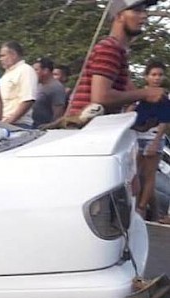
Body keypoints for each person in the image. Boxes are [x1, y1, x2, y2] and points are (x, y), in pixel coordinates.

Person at [66, 0, 165, 116]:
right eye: (137, 11)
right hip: (88, 129)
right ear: (119, 16)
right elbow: (101, 98)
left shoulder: (118, 50)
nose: (144, 16)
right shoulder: (110, 48)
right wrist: (146, 93)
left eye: (144, 11)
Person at [133, 60, 169, 218]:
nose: (157, 78)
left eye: (160, 75)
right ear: (146, 76)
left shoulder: (163, 98)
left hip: (153, 137)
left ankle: (141, 208)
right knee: (136, 173)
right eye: (153, 74)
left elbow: (165, 121)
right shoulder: (140, 95)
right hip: (136, 136)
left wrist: (156, 141)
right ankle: (154, 211)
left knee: (149, 175)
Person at [0, 41, 38, 128]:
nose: (0, 59)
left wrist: (9, 122)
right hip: (2, 124)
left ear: (14, 55)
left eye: (3, 56)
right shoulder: (7, 74)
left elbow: (28, 100)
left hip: (17, 125)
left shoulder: (25, 70)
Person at [32, 58, 66, 127]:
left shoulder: (56, 87)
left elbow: (58, 114)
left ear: (45, 71)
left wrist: (50, 126)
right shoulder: (37, 85)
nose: (33, 73)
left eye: (36, 70)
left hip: (43, 129)